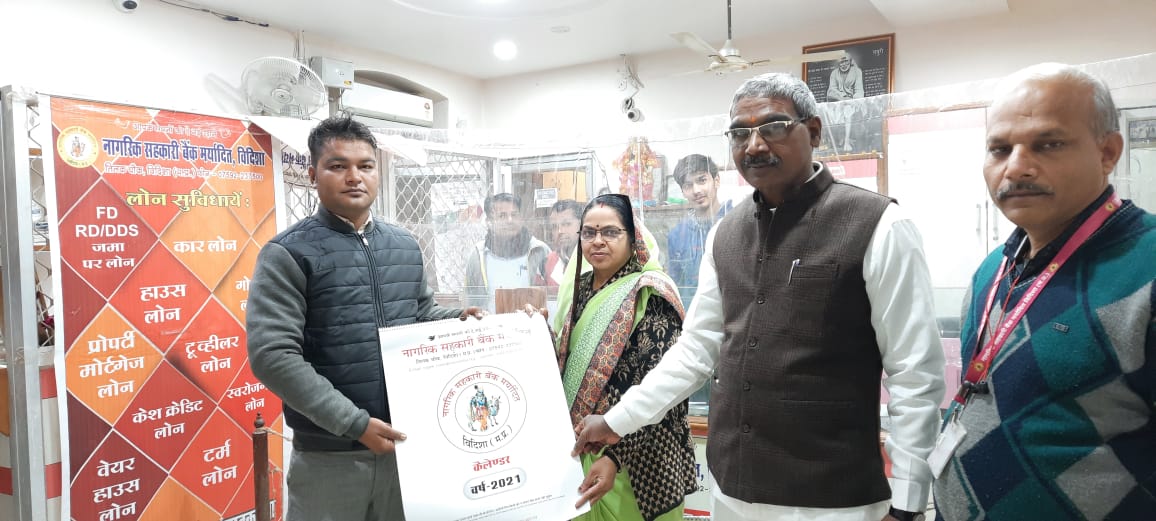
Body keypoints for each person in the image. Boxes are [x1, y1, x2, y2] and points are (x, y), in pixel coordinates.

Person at [572, 72, 945, 521]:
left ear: (813, 131)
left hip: (834, 499)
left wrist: (908, 501)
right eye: (739, 133)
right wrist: (617, 420)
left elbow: (915, 373)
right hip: (732, 490)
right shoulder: (725, 234)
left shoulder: (878, 225)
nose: (754, 145)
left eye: (773, 127)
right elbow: (695, 350)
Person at [933, 63, 1156, 520]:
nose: (1016, 167)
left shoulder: (1146, 266)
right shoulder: (993, 269)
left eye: (1048, 144)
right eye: (1000, 149)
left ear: (1108, 152)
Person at [246, 116, 483, 521]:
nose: (354, 177)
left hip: (407, 449)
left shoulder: (403, 245)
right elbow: (273, 355)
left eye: (365, 166)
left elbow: (418, 315)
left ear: (377, 172)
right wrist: (354, 424)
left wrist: (460, 319)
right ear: (313, 175)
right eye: (338, 166)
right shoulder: (288, 254)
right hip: (328, 458)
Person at [554, 193, 697, 521]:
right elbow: (565, 360)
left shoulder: (651, 293)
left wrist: (615, 457)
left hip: (636, 457)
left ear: (633, 239)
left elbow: (664, 390)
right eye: (588, 232)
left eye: (610, 232)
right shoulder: (578, 288)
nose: (597, 241)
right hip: (580, 447)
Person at [665, 154, 734, 306]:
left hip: (731, 312)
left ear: (716, 181)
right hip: (691, 314)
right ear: (682, 191)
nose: (696, 190)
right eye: (688, 185)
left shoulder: (735, 224)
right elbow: (676, 284)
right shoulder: (677, 235)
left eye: (702, 180)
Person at [464, 192, 550, 311]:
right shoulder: (478, 256)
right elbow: (470, 302)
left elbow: (553, 298)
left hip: (531, 321)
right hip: (491, 322)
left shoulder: (539, 251)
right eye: (502, 216)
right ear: (489, 221)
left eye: (514, 215)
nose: (510, 220)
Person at [827, 54, 865, 152]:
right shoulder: (834, 73)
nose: (844, 64)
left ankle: (846, 142)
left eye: (846, 61)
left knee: (848, 110)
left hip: (853, 102)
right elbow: (831, 91)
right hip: (838, 102)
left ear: (850, 61)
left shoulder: (857, 72)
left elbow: (859, 91)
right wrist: (842, 99)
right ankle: (838, 141)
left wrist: (853, 101)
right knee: (829, 113)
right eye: (841, 62)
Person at [545, 198, 583, 288]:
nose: (560, 231)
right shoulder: (548, 261)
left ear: (581, 225)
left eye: (566, 224)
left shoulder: (594, 260)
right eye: (554, 226)